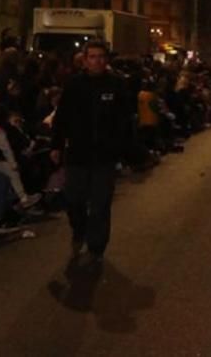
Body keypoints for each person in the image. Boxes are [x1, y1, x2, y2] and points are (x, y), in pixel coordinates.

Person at [50, 40, 133, 262]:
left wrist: (124, 148)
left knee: (100, 204)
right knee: (74, 199)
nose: (97, 61)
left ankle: (96, 247)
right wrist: (56, 145)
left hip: (104, 156)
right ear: (85, 60)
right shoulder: (74, 85)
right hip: (78, 153)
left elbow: (125, 120)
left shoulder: (117, 85)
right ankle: (79, 230)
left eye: (101, 56)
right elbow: (62, 117)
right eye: (92, 56)